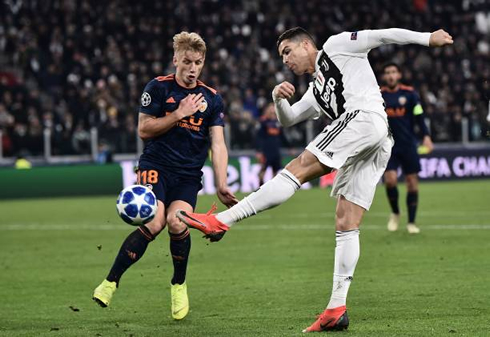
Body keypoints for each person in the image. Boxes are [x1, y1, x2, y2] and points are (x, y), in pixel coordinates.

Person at [176, 27, 453, 332]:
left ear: (306, 44)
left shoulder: (336, 46)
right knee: (347, 221)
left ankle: (223, 220)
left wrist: (427, 38)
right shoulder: (317, 90)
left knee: (299, 166)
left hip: (363, 118)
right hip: (378, 139)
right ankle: (336, 308)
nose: (285, 61)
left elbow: (381, 35)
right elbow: (290, 118)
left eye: (287, 52)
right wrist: (277, 99)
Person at [92, 31, 238, 320]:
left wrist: (221, 183)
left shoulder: (212, 99)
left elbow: (218, 143)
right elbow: (144, 129)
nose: (192, 68)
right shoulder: (158, 88)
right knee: (156, 222)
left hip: (187, 176)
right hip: (155, 166)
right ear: (175, 60)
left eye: (198, 62)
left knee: (176, 222)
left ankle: (179, 284)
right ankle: (110, 281)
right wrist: (178, 115)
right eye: (187, 61)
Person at [381, 63, 434, 234]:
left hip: (408, 144)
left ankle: (411, 222)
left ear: (399, 75)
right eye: (388, 73)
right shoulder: (378, 96)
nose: (390, 75)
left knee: (412, 184)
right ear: (384, 76)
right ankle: (396, 212)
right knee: (390, 180)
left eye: (393, 72)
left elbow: (419, 116)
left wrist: (426, 136)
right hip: (388, 146)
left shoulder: (410, 94)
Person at [255, 103, 288, 185]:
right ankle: (260, 185)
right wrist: (259, 151)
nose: (272, 112)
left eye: (273, 110)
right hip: (266, 150)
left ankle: (272, 188)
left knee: (275, 170)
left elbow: (282, 136)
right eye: (270, 110)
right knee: (263, 169)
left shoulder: (278, 123)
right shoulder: (263, 122)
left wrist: (290, 147)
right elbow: (258, 137)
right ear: (267, 111)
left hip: (276, 150)